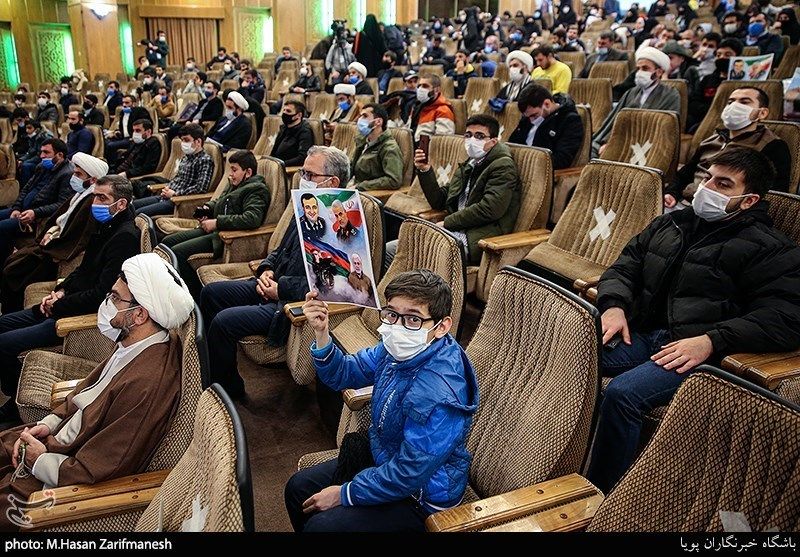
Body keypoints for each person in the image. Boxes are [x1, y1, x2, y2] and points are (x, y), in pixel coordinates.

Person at [587, 147, 800, 494]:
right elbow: (625, 267)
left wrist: (713, 340)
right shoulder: (672, 222)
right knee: (570, 353)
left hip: (700, 350)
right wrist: (614, 305)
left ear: (748, 200)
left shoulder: (771, 249)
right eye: (707, 177)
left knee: (623, 395)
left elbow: (786, 318)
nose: (706, 188)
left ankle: (600, 494)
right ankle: (552, 454)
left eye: (723, 184)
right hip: (641, 333)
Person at [0, 252, 193, 531]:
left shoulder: (147, 383)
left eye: (115, 298)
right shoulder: (134, 343)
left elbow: (99, 469)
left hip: (55, 482)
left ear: (139, 314)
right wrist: (47, 423)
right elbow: (85, 391)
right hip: (54, 439)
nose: (107, 303)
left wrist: (38, 459)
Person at [285, 269, 478, 532]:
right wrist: (321, 333)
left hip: (422, 497)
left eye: (412, 318)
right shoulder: (395, 349)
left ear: (442, 326)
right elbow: (345, 372)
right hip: (388, 459)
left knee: (322, 527)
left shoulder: (439, 392)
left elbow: (409, 473)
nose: (397, 326)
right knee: (297, 489)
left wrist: (345, 493)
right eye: (392, 314)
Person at [198, 146, 349, 398]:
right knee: (211, 293)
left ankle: (227, 392)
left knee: (223, 323)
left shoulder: (342, 227)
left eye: (310, 175)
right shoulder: (306, 207)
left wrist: (281, 288)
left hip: (289, 302)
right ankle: (209, 369)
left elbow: (331, 284)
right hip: (271, 283)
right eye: (302, 172)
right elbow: (280, 250)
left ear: (332, 181)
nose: (302, 179)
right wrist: (267, 268)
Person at [0, 176, 139, 424]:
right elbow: (83, 270)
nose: (94, 202)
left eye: (102, 198)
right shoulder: (106, 227)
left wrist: (59, 304)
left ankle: (13, 409)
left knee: (5, 343)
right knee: (3, 323)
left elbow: (101, 295)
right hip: (67, 302)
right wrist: (61, 290)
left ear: (120, 204)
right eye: (95, 196)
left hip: (76, 317)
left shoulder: (124, 237)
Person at [391, 115, 520, 267]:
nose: (472, 140)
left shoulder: (503, 166)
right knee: (392, 249)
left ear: (493, 141)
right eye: (468, 135)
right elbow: (440, 200)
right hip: (453, 232)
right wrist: (425, 171)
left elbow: (490, 209)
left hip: (477, 238)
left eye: (479, 136)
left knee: (414, 257)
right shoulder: (470, 164)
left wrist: (447, 223)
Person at [0, 153, 108, 313]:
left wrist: (51, 241)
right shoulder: (79, 194)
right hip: (51, 241)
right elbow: (60, 219)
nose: (74, 177)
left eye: (78, 174)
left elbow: (76, 236)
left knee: (13, 272)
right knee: (11, 261)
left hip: (55, 251)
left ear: (92, 180)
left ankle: (11, 314)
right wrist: (49, 232)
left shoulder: (91, 201)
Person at [161, 151, 269, 298]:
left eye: (234, 170)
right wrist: (207, 208)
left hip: (223, 238)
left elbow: (252, 218)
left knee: (178, 252)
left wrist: (217, 223)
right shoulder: (235, 183)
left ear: (248, 172)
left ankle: (190, 296)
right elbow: (220, 201)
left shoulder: (257, 189)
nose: (230, 174)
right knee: (167, 242)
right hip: (212, 229)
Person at [666, 87, 790, 208]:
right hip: (684, 202)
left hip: (721, 211)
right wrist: (671, 193)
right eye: (731, 102)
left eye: (744, 102)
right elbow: (686, 173)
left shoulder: (772, 145)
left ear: (762, 113)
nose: (734, 106)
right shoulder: (711, 139)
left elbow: (773, 193)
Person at [593, 46, 681, 156]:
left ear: (658, 72)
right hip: (620, 142)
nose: (639, 73)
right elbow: (614, 124)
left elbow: (665, 132)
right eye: (638, 68)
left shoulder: (671, 95)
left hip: (648, 148)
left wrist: (617, 145)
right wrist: (609, 143)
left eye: (645, 68)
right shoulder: (631, 93)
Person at [0, 138, 73, 266]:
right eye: (41, 152)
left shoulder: (67, 174)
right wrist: (16, 207)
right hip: (21, 210)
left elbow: (61, 205)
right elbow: (26, 188)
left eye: (46, 153)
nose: (41, 156)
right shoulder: (42, 166)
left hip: (35, 218)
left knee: (2, 227)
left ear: (59, 155)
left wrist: (34, 212)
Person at [133, 124, 213, 216]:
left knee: (138, 213)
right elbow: (178, 178)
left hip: (178, 202)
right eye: (182, 140)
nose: (183, 143)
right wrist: (167, 187)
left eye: (186, 140)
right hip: (166, 196)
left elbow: (200, 188)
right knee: (132, 205)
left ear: (198, 141)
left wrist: (175, 193)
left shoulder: (205, 160)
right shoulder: (186, 157)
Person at [510, 84, 584, 170]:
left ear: (547, 104)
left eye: (534, 115)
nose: (531, 121)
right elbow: (513, 143)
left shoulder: (570, 120)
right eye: (528, 117)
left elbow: (561, 160)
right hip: (518, 167)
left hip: (540, 171)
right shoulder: (528, 118)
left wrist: (544, 125)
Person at [351, 103, 403, 191]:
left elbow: (394, 180)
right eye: (360, 116)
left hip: (369, 194)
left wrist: (361, 186)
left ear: (378, 122)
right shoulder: (362, 141)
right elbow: (352, 167)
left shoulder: (389, 147)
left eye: (364, 116)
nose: (360, 120)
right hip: (354, 187)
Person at [103, 95, 151, 166]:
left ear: (134, 103)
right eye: (123, 103)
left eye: (127, 103)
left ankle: (111, 165)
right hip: (123, 137)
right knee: (105, 141)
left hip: (133, 138)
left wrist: (134, 135)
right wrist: (117, 132)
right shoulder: (122, 112)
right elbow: (123, 127)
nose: (124, 105)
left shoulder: (140, 111)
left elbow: (147, 125)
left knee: (111, 145)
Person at [407, 74, 456, 143]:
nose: (420, 89)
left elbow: (443, 143)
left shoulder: (443, 111)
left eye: (425, 86)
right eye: (419, 86)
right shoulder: (416, 107)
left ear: (436, 90)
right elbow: (407, 130)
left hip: (426, 151)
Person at [271, 101, 314, 168]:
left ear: (299, 115)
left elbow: (302, 158)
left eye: (288, 111)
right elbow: (274, 151)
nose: (284, 113)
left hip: (289, 168)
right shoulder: (283, 128)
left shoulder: (305, 131)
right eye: (284, 110)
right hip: (277, 166)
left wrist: (280, 164)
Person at [17, 121, 53, 186]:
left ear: (37, 129)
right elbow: (30, 152)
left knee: (25, 166)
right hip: (36, 158)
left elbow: (40, 156)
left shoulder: (43, 138)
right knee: (17, 159)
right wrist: (21, 160)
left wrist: (25, 161)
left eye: (29, 128)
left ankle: (25, 186)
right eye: (26, 128)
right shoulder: (32, 137)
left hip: (43, 160)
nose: (27, 130)